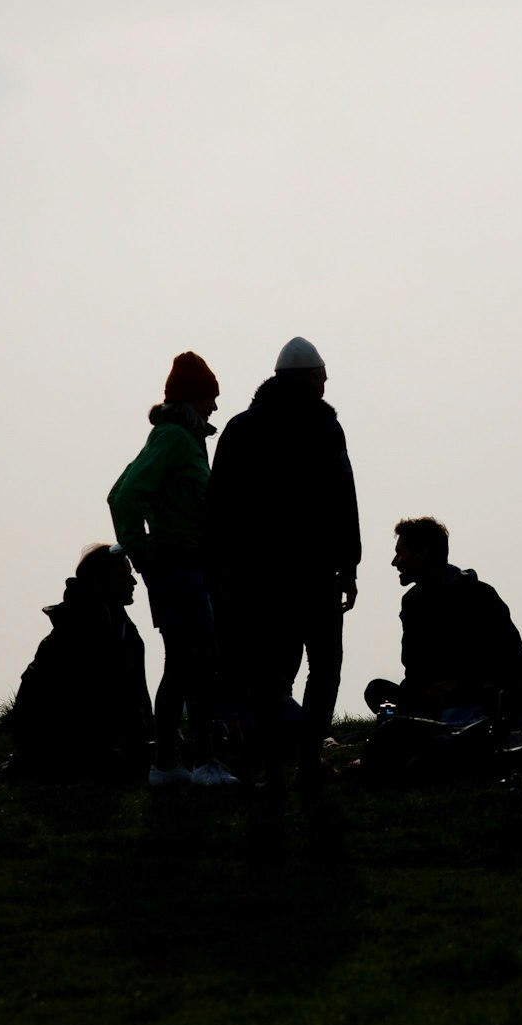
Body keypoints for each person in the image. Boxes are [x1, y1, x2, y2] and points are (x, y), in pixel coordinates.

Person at [205, 337, 360, 821]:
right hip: (313, 572)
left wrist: (221, 572)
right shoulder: (325, 426)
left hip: (259, 577)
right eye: (322, 374)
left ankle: (273, 766)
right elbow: (343, 497)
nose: (327, 382)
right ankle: (308, 763)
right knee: (324, 666)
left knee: (273, 675)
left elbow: (218, 509)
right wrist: (350, 562)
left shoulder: (241, 429)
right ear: (308, 378)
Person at [106, 351, 235, 787]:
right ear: (192, 400)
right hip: (178, 566)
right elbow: (124, 497)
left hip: (182, 566)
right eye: (209, 399)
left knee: (182, 664)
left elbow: (119, 490)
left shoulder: (177, 438)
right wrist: (143, 555)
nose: (215, 407)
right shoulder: (175, 439)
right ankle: (203, 763)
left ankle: (167, 764)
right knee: (198, 663)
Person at [359, 517, 522, 780]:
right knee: (378, 691)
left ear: (423, 552)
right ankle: (431, 741)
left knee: (405, 745)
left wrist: (462, 687)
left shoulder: (478, 597)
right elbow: (414, 669)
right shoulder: (412, 603)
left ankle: (447, 747)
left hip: (483, 706)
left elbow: (516, 672)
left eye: (401, 553)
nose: (395, 563)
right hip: (435, 705)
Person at [0, 544, 153, 782]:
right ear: (100, 581)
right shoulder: (91, 625)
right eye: (124, 575)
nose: (134, 582)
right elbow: (113, 693)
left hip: (44, 735)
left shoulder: (107, 618)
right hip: (54, 737)